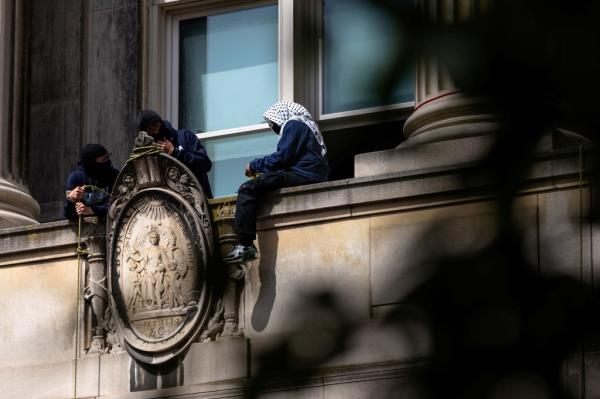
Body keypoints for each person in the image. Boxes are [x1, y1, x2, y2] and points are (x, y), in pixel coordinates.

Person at [223, 101, 329, 264]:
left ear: (281, 117)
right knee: (267, 181)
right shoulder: (308, 126)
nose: (275, 129)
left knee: (248, 188)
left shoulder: (293, 124)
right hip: (311, 174)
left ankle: (245, 245)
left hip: (304, 175)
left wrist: (254, 165)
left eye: (274, 125)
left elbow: (282, 158)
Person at [136, 110, 213, 199]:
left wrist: (175, 152)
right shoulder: (151, 154)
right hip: (170, 206)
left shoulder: (184, 137)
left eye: (154, 124)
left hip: (198, 201)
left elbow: (205, 164)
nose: (154, 129)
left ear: (159, 121)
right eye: (149, 129)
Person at [64, 144, 119, 220]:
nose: (108, 161)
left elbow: (119, 206)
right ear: (91, 163)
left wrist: (92, 210)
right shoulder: (76, 178)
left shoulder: (114, 175)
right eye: (103, 160)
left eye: (108, 157)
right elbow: (69, 215)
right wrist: (71, 200)